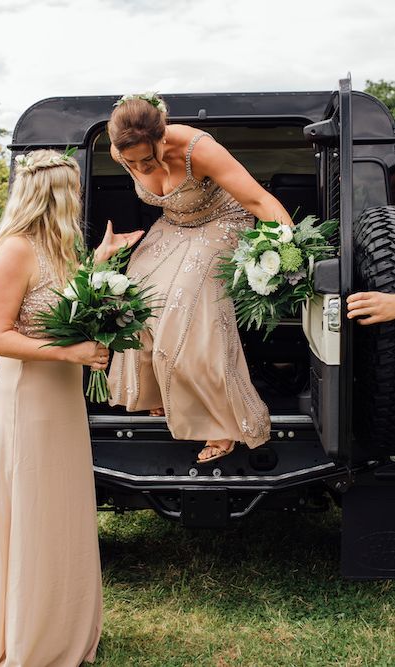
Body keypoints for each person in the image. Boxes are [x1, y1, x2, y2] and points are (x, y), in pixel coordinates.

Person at [0, 149, 142, 667]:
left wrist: (101, 261)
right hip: (29, 401)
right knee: (35, 512)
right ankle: (33, 640)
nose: (79, 199)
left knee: (63, 508)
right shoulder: (14, 250)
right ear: (54, 194)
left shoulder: (60, 249)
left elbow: (64, 302)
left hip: (61, 397)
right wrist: (73, 353)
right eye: (73, 190)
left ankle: (66, 628)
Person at [106, 93, 295, 464]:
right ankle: (161, 393)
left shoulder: (198, 149)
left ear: (163, 137)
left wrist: (291, 244)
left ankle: (220, 422)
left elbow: (258, 201)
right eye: (133, 163)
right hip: (176, 223)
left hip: (223, 221)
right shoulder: (120, 151)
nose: (142, 169)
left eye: (149, 158)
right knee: (133, 293)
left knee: (186, 304)